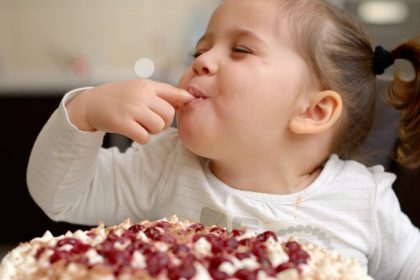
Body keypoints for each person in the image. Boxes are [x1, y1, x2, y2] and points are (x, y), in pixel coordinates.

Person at [27, 0, 420, 278]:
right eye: (199, 48)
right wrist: (83, 111)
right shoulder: (163, 165)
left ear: (312, 111)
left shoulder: (364, 202)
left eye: (241, 49)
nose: (200, 61)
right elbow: (61, 196)